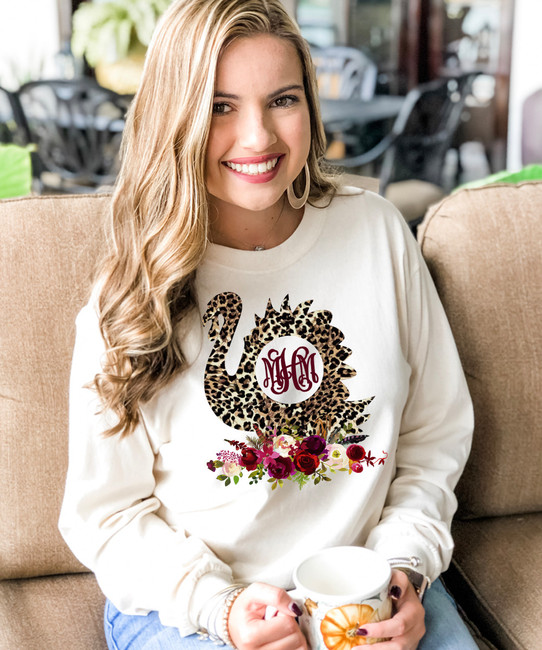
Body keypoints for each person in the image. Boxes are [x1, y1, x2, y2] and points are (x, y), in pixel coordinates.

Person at [58, 1, 478, 649]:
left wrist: (404, 566)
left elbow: (434, 436)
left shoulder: (376, 232)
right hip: (197, 607)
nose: (259, 138)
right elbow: (105, 516)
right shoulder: (130, 291)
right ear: (177, 117)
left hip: (367, 589)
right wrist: (220, 607)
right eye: (220, 107)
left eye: (282, 100)